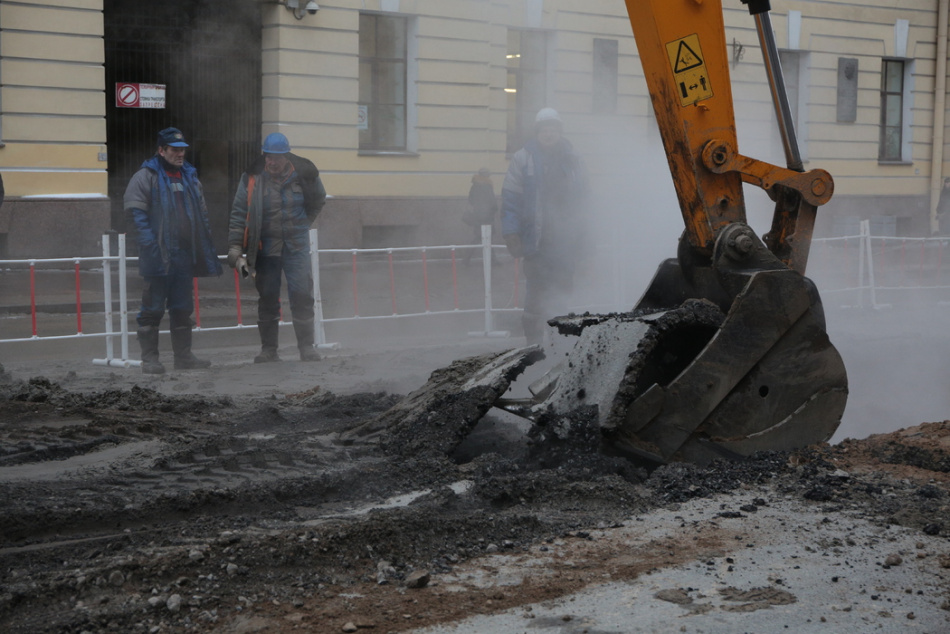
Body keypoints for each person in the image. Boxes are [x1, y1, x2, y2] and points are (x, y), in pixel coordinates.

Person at [124, 127, 223, 374]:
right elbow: (136, 215)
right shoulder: (146, 176)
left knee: (182, 308)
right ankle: (150, 360)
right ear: (161, 150)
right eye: (175, 150)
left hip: (183, 255)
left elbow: (202, 215)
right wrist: (150, 246)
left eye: (182, 150)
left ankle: (184, 358)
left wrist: (201, 246)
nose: (180, 155)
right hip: (159, 255)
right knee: (152, 308)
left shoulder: (190, 177)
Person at [227, 132, 327, 363]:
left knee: (302, 296)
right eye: (268, 157)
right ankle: (269, 350)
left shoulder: (304, 175)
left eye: (277, 158)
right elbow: (239, 212)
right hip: (266, 248)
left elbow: (319, 200)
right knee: (268, 297)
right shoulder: (251, 178)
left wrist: (303, 224)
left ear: (287, 156)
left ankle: (306, 348)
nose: (272, 162)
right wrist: (234, 246)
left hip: (296, 247)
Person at [501, 107, 590, 346]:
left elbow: (584, 199)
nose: (549, 135)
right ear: (537, 132)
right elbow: (511, 200)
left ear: (559, 132)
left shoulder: (573, 159)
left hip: (565, 240)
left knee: (562, 290)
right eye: (544, 130)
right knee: (535, 291)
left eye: (553, 130)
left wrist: (584, 236)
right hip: (535, 240)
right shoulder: (523, 158)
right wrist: (511, 231)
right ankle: (532, 344)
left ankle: (559, 343)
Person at [463, 167, 499, 265]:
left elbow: (471, 199)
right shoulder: (487, 185)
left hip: (478, 216)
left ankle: (492, 260)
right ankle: (466, 259)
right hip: (487, 217)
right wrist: (495, 209)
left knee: (481, 238)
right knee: (483, 238)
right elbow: (492, 202)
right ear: (486, 175)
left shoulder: (475, 185)